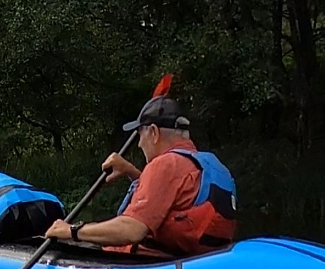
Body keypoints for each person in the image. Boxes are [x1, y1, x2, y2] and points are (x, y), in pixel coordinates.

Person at [43, 96, 238, 256]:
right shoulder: (206, 164)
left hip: (150, 265)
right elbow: (170, 198)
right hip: (194, 261)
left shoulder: (165, 164)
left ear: (153, 132)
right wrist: (132, 172)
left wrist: (71, 230)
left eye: (140, 134)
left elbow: (132, 230)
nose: (138, 144)